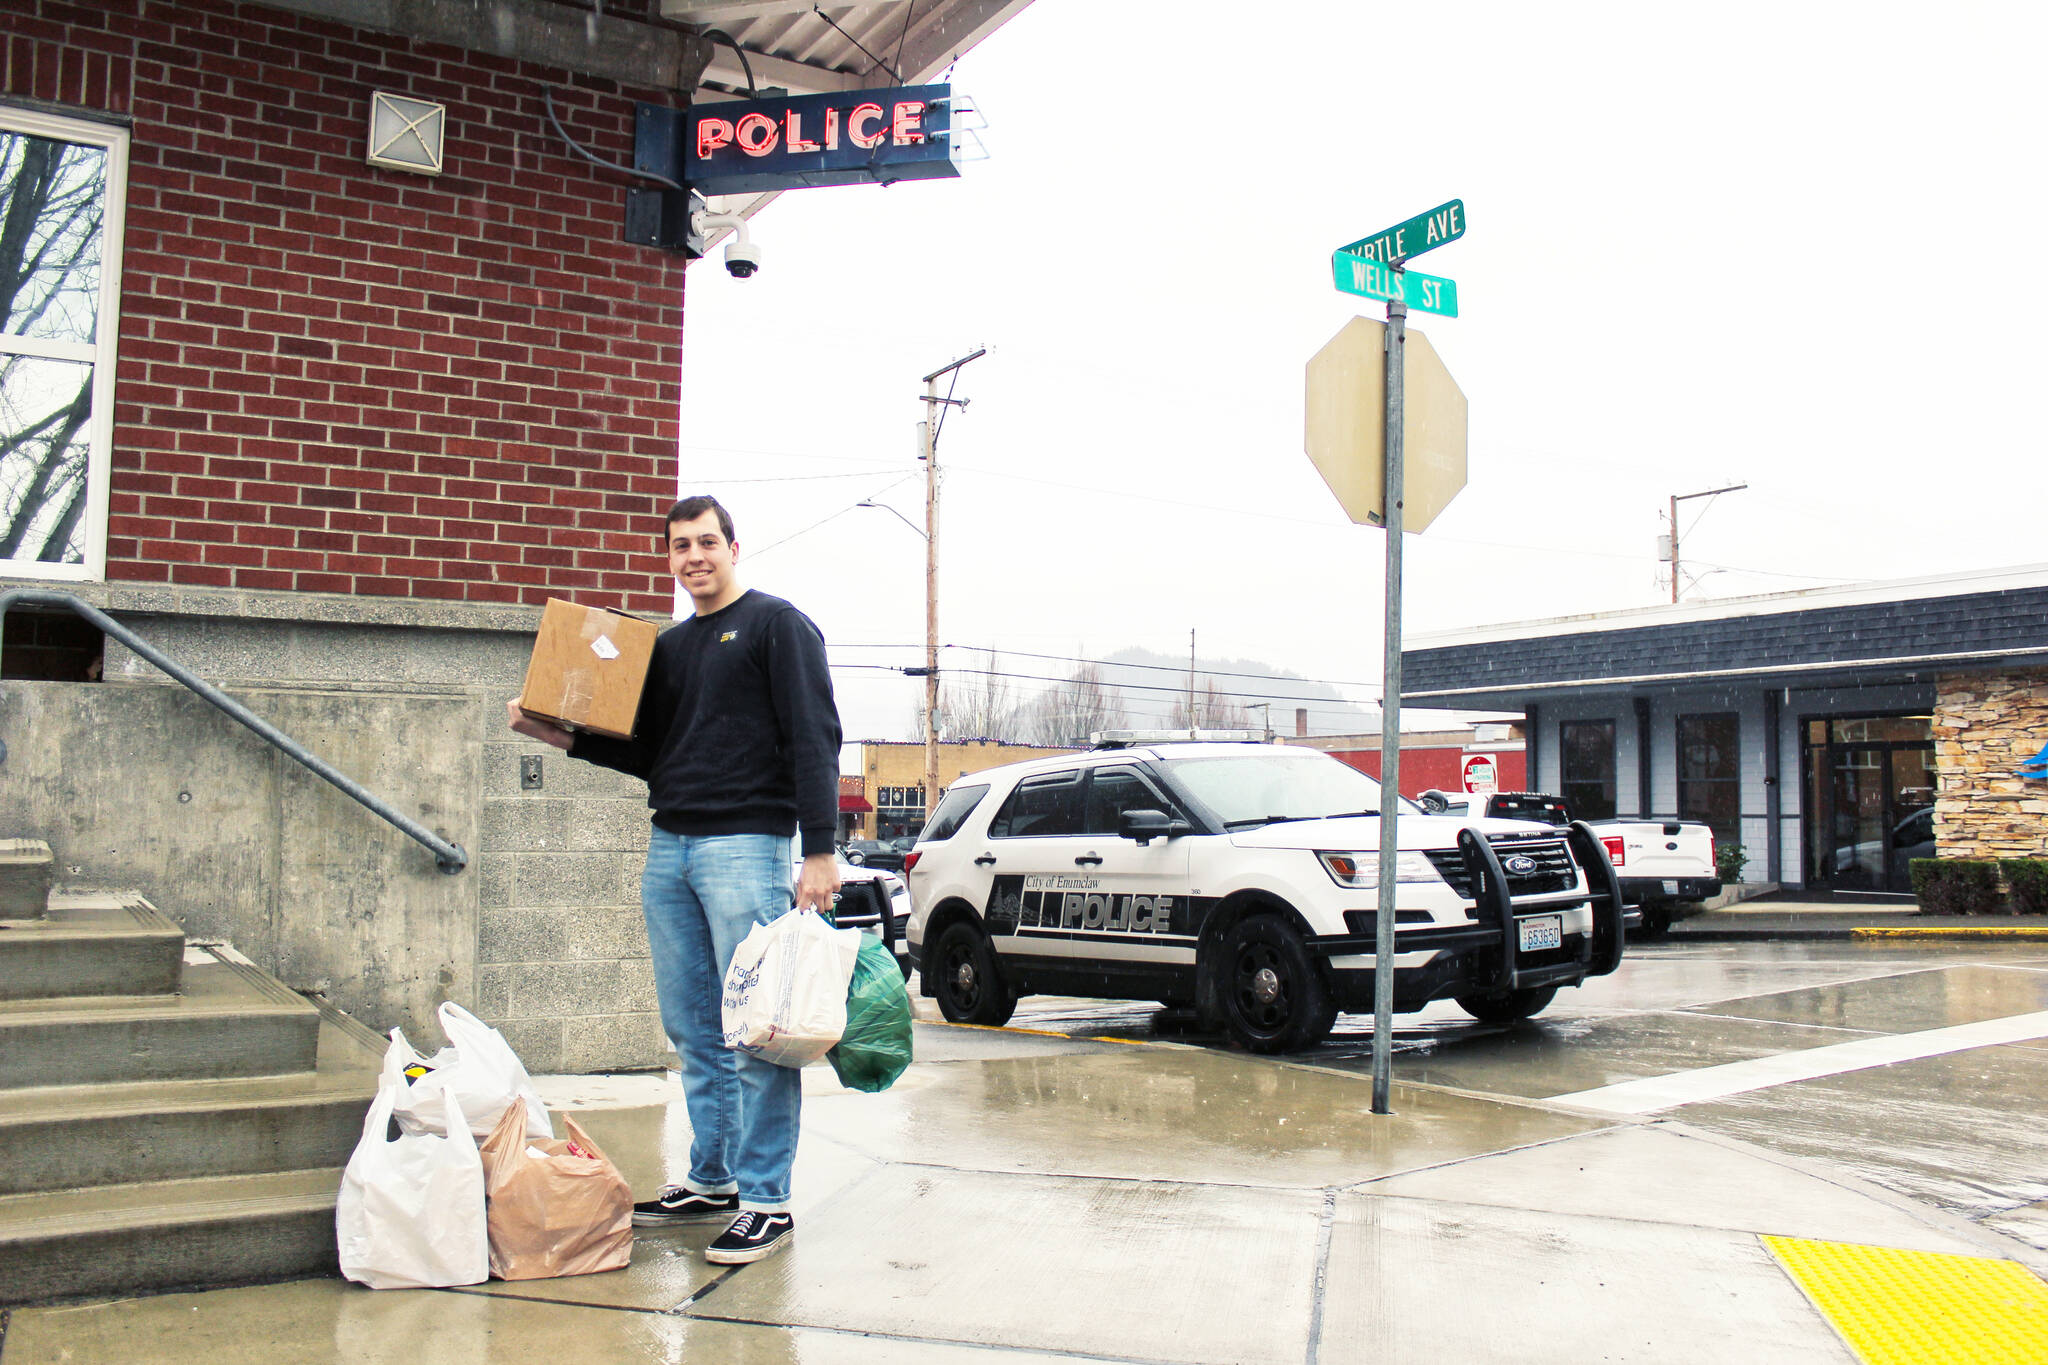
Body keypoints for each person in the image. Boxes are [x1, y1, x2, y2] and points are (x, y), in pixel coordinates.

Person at [507, 494, 841, 1265]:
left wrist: (819, 848)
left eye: (706, 542)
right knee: (694, 1027)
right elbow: (647, 751)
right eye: (680, 546)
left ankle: (766, 1199)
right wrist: (556, 735)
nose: (694, 556)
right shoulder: (670, 647)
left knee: (760, 1029)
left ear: (733, 546)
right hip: (673, 846)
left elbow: (815, 732)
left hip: (746, 846)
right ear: (668, 558)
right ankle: (713, 1178)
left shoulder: (774, 624)